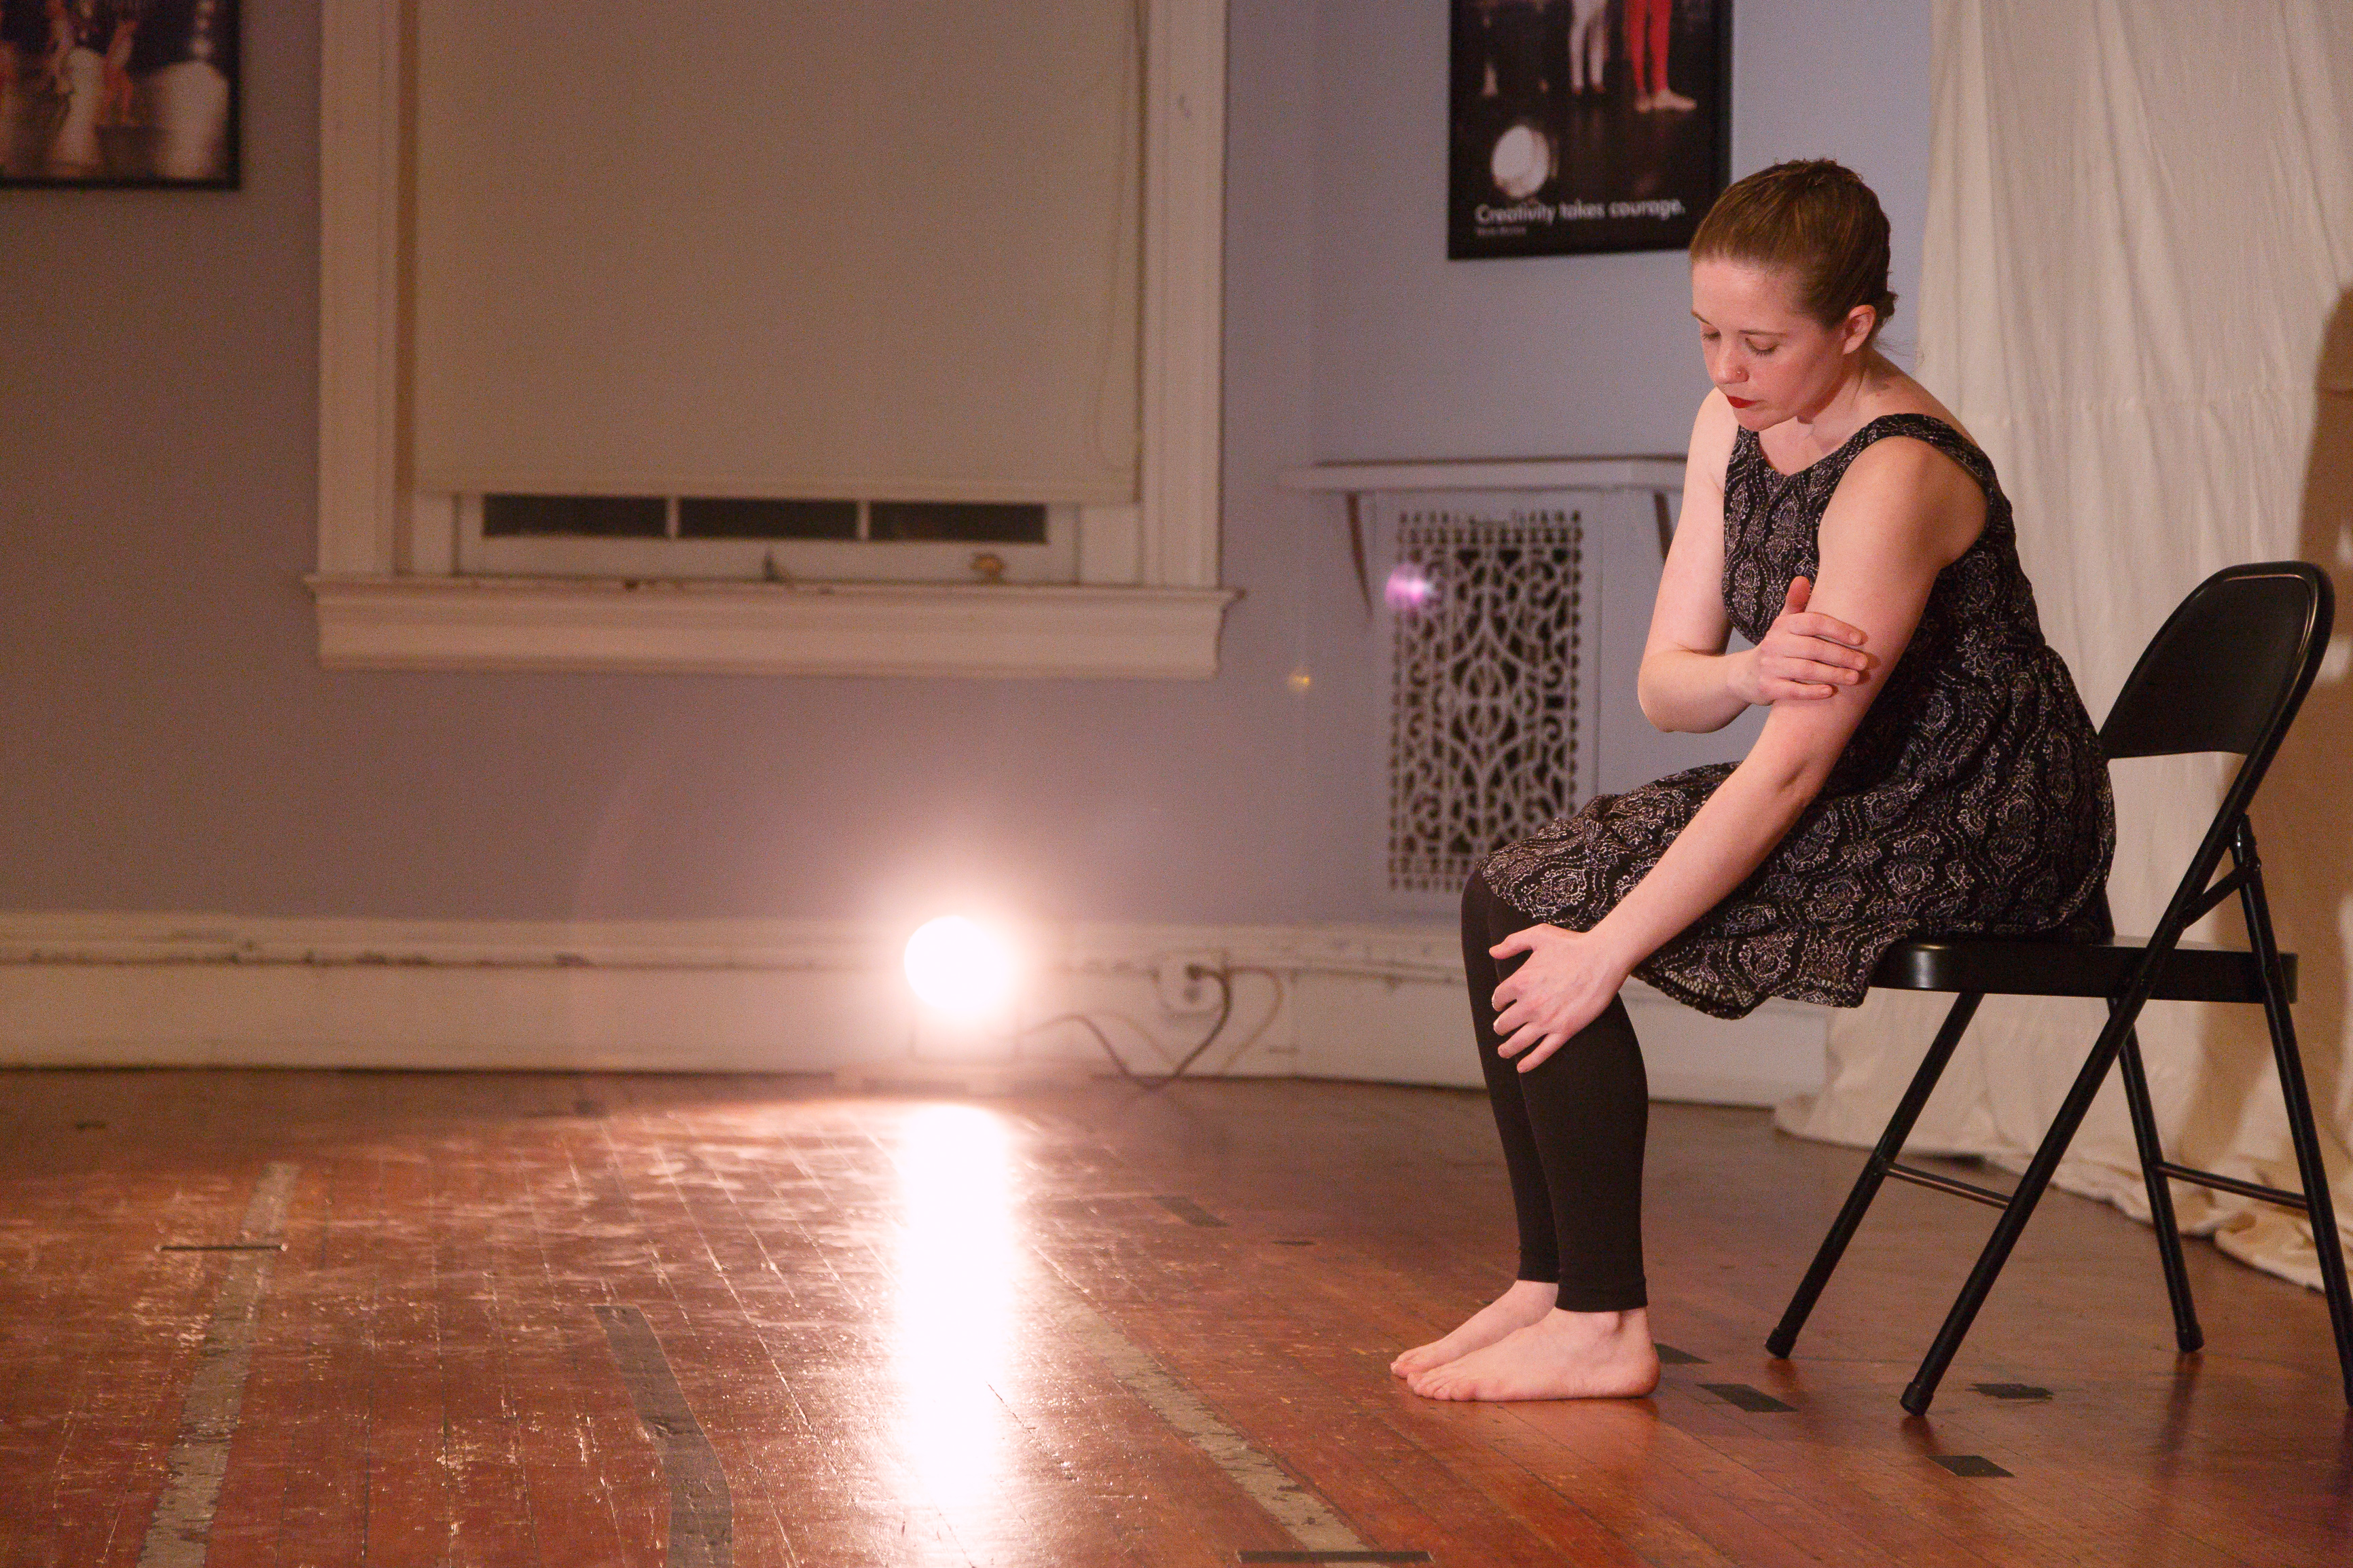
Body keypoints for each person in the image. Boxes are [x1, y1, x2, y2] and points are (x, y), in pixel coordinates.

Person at [1391, 160, 2115, 1402]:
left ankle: (1604, 1321)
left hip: (1975, 809)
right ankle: (1556, 1279)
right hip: (1855, 774)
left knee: (1561, 918)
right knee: (1507, 890)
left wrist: (1608, 950)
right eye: (1708, 333)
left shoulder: (1898, 472)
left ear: (1855, 326)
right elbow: (1664, 687)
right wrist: (1747, 668)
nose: (1727, 367)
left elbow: (1789, 776)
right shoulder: (1729, 423)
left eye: (1762, 343)